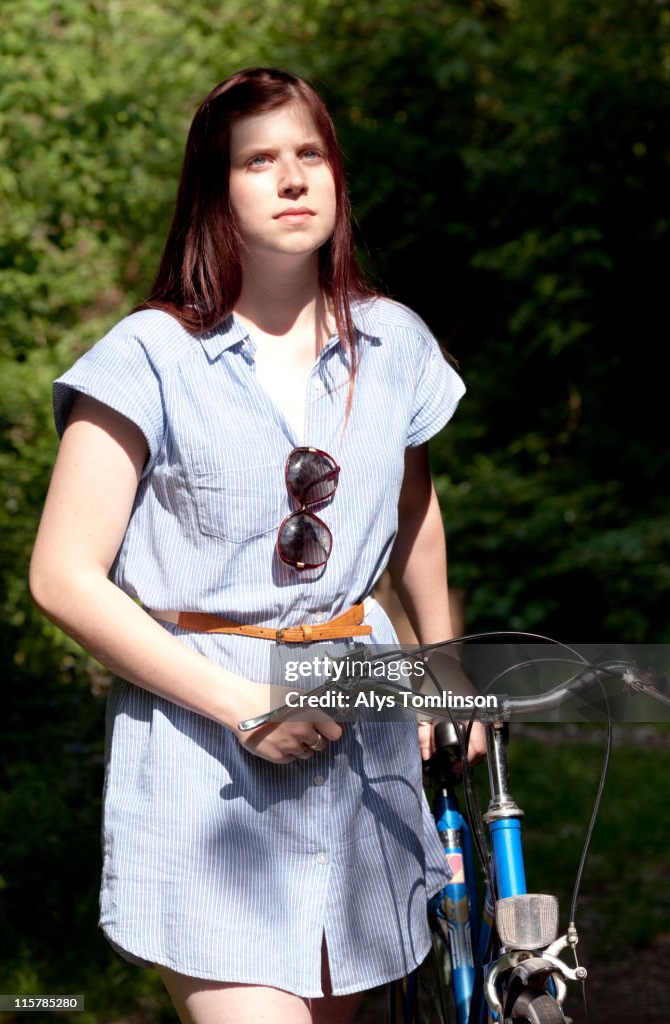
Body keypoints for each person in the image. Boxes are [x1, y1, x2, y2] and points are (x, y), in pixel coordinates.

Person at [30, 67, 485, 1024]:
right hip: (207, 761)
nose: (290, 179)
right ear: (214, 191)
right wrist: (246, 709)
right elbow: (64, 577)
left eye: (308, 154)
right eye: (258, 161)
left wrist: (443, 675)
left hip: (364, 740)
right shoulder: (145, 357)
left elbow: (416, 520)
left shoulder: (393, 343)